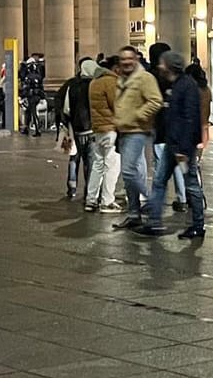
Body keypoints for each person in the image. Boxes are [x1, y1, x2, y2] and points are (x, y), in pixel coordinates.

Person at [140, 51, 206, 239]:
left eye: (162, 63)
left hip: (182, 147)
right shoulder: (175, 84)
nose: (159, 66)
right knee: (160, 181)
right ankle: (154, 222)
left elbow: (189, 118)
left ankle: (198, 225)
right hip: (173, 145)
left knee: (191, 184)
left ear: (169, 66)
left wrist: (184, 149)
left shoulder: (186, 86)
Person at [109, 46, 163, 231]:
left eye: (129, 58)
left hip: (137, 130)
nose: (126, 62)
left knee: (129, 171)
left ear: (136, 59)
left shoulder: (145, 78)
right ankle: (134, 214)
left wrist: (138, 115)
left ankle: (151, 200)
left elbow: (155, 101)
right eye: (122, 59)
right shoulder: (122, 79)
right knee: (128, 176)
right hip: (123, 131)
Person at [55, 58, 96, 205]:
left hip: (73, 128)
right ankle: (89, 191)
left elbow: (65, 107)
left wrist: (64, 121)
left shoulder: (71, 84)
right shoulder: (95, 85)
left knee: (73, 157)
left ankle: (71, 187)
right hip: (91, 128)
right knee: (90, 161)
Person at [85, 55, 122, 212]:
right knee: (112, 165)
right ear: (114, 68)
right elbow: (117, 105)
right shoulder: (110, 81)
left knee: (98, 164)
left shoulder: (94, 82)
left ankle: (91, 199)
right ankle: (107, 201)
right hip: (111, 128)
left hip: (98, 128)